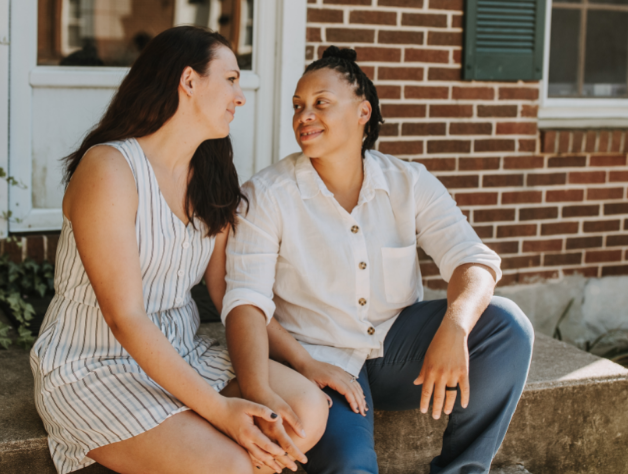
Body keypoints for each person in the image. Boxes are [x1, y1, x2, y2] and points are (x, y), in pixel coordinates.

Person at [30, 26, 329, 474]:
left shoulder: (209, 173)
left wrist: (301, 360)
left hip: (185, 349)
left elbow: (230, 289)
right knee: (233, 465)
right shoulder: (110, 168)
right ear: (189, 81)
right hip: (95, 366)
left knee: (305, 412)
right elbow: (124, 317)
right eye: (230, 79)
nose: (240, 96)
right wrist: (220, 410)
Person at [223, 46, 534, 474]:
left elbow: (472, 259)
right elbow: (248, 303)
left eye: (321, 103)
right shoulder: (266, 195)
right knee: (351, 465)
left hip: (398, 352)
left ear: (362, 112)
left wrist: (455, 325)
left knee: (506, 325)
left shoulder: (408, 181)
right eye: (298, 106)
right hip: (315, 360)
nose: (303, 116)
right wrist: (302, 362)